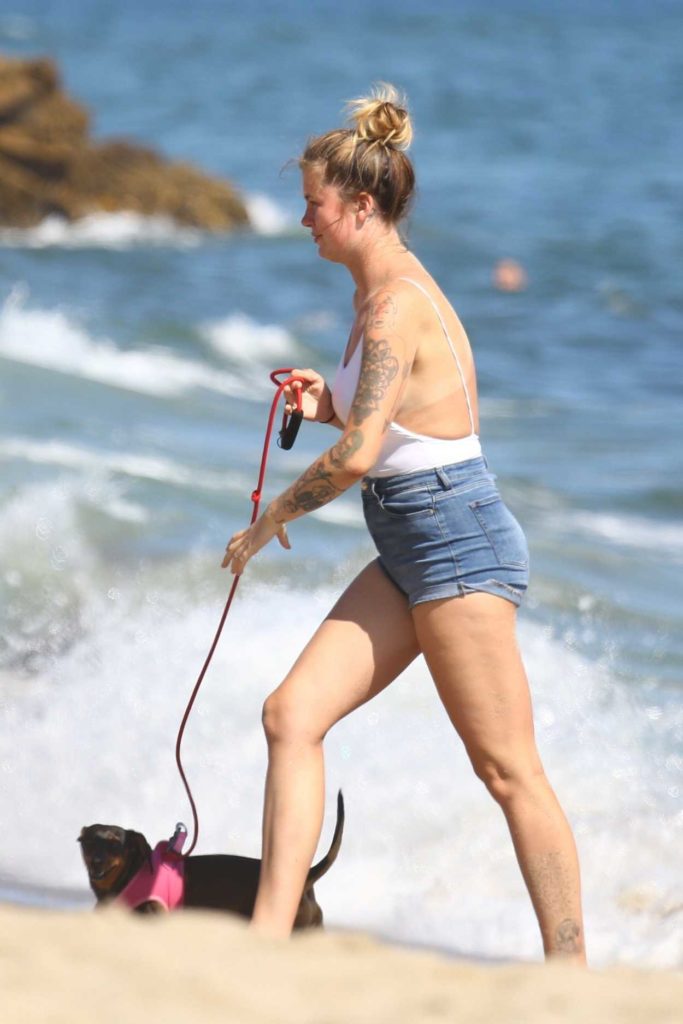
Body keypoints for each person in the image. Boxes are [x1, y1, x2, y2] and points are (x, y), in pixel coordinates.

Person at [222, 84, 586, 962]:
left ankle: (572, 980)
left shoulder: (394, 304)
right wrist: (324, 401)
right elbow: (377, 425)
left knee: (506, 772)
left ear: (359, 205)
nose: (303, 218)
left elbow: (357, 457)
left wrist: (269, 518)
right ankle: (265, 949)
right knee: (290, 714)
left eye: (313, 204)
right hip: (409, 541)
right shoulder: (375, 297)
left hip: (455, 542)